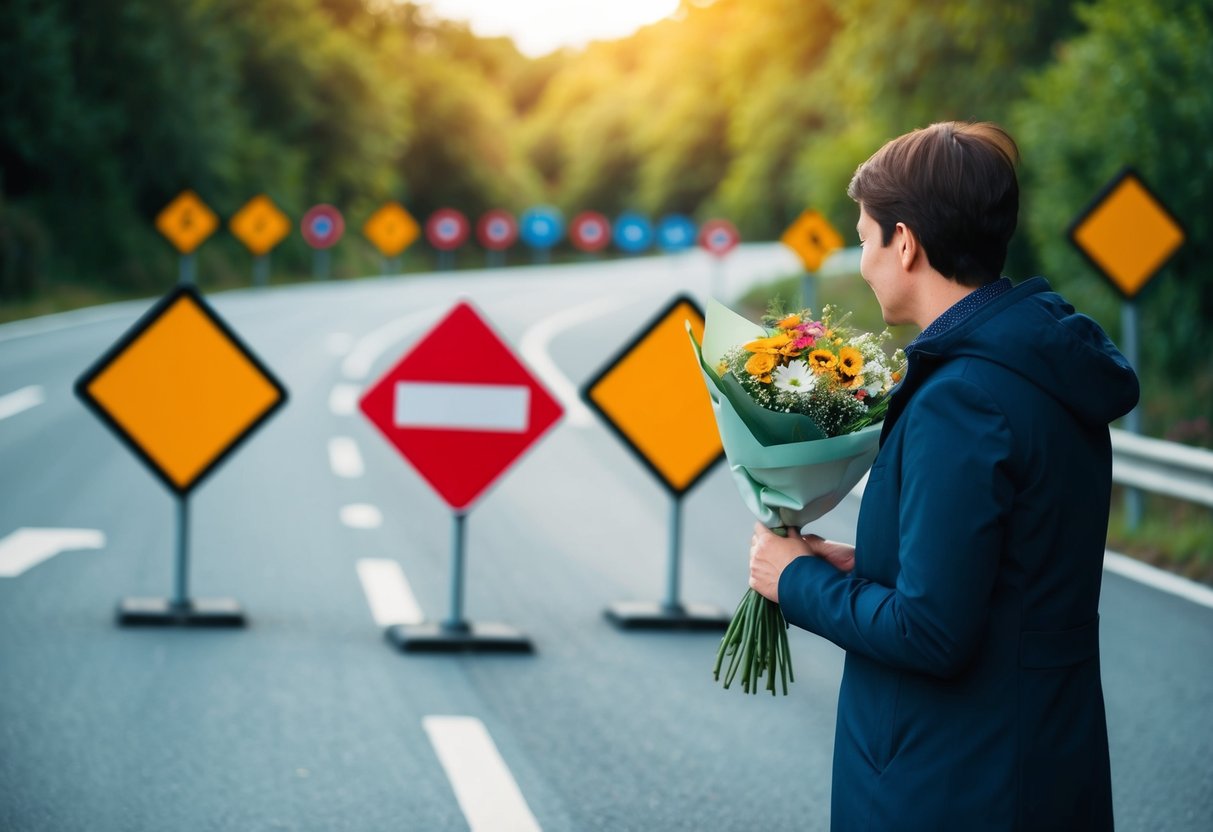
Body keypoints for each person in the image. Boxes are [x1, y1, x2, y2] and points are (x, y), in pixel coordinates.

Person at [748, 121, 1138, 831]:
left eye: (864, 238)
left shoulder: (962, 398)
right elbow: (1009, 574)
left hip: (954, 782)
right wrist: (867, 565)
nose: (863, 262)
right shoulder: (1042, 368)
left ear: (905, 242)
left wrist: (794, 579)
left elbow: (931, 633)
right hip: (1044, 765)